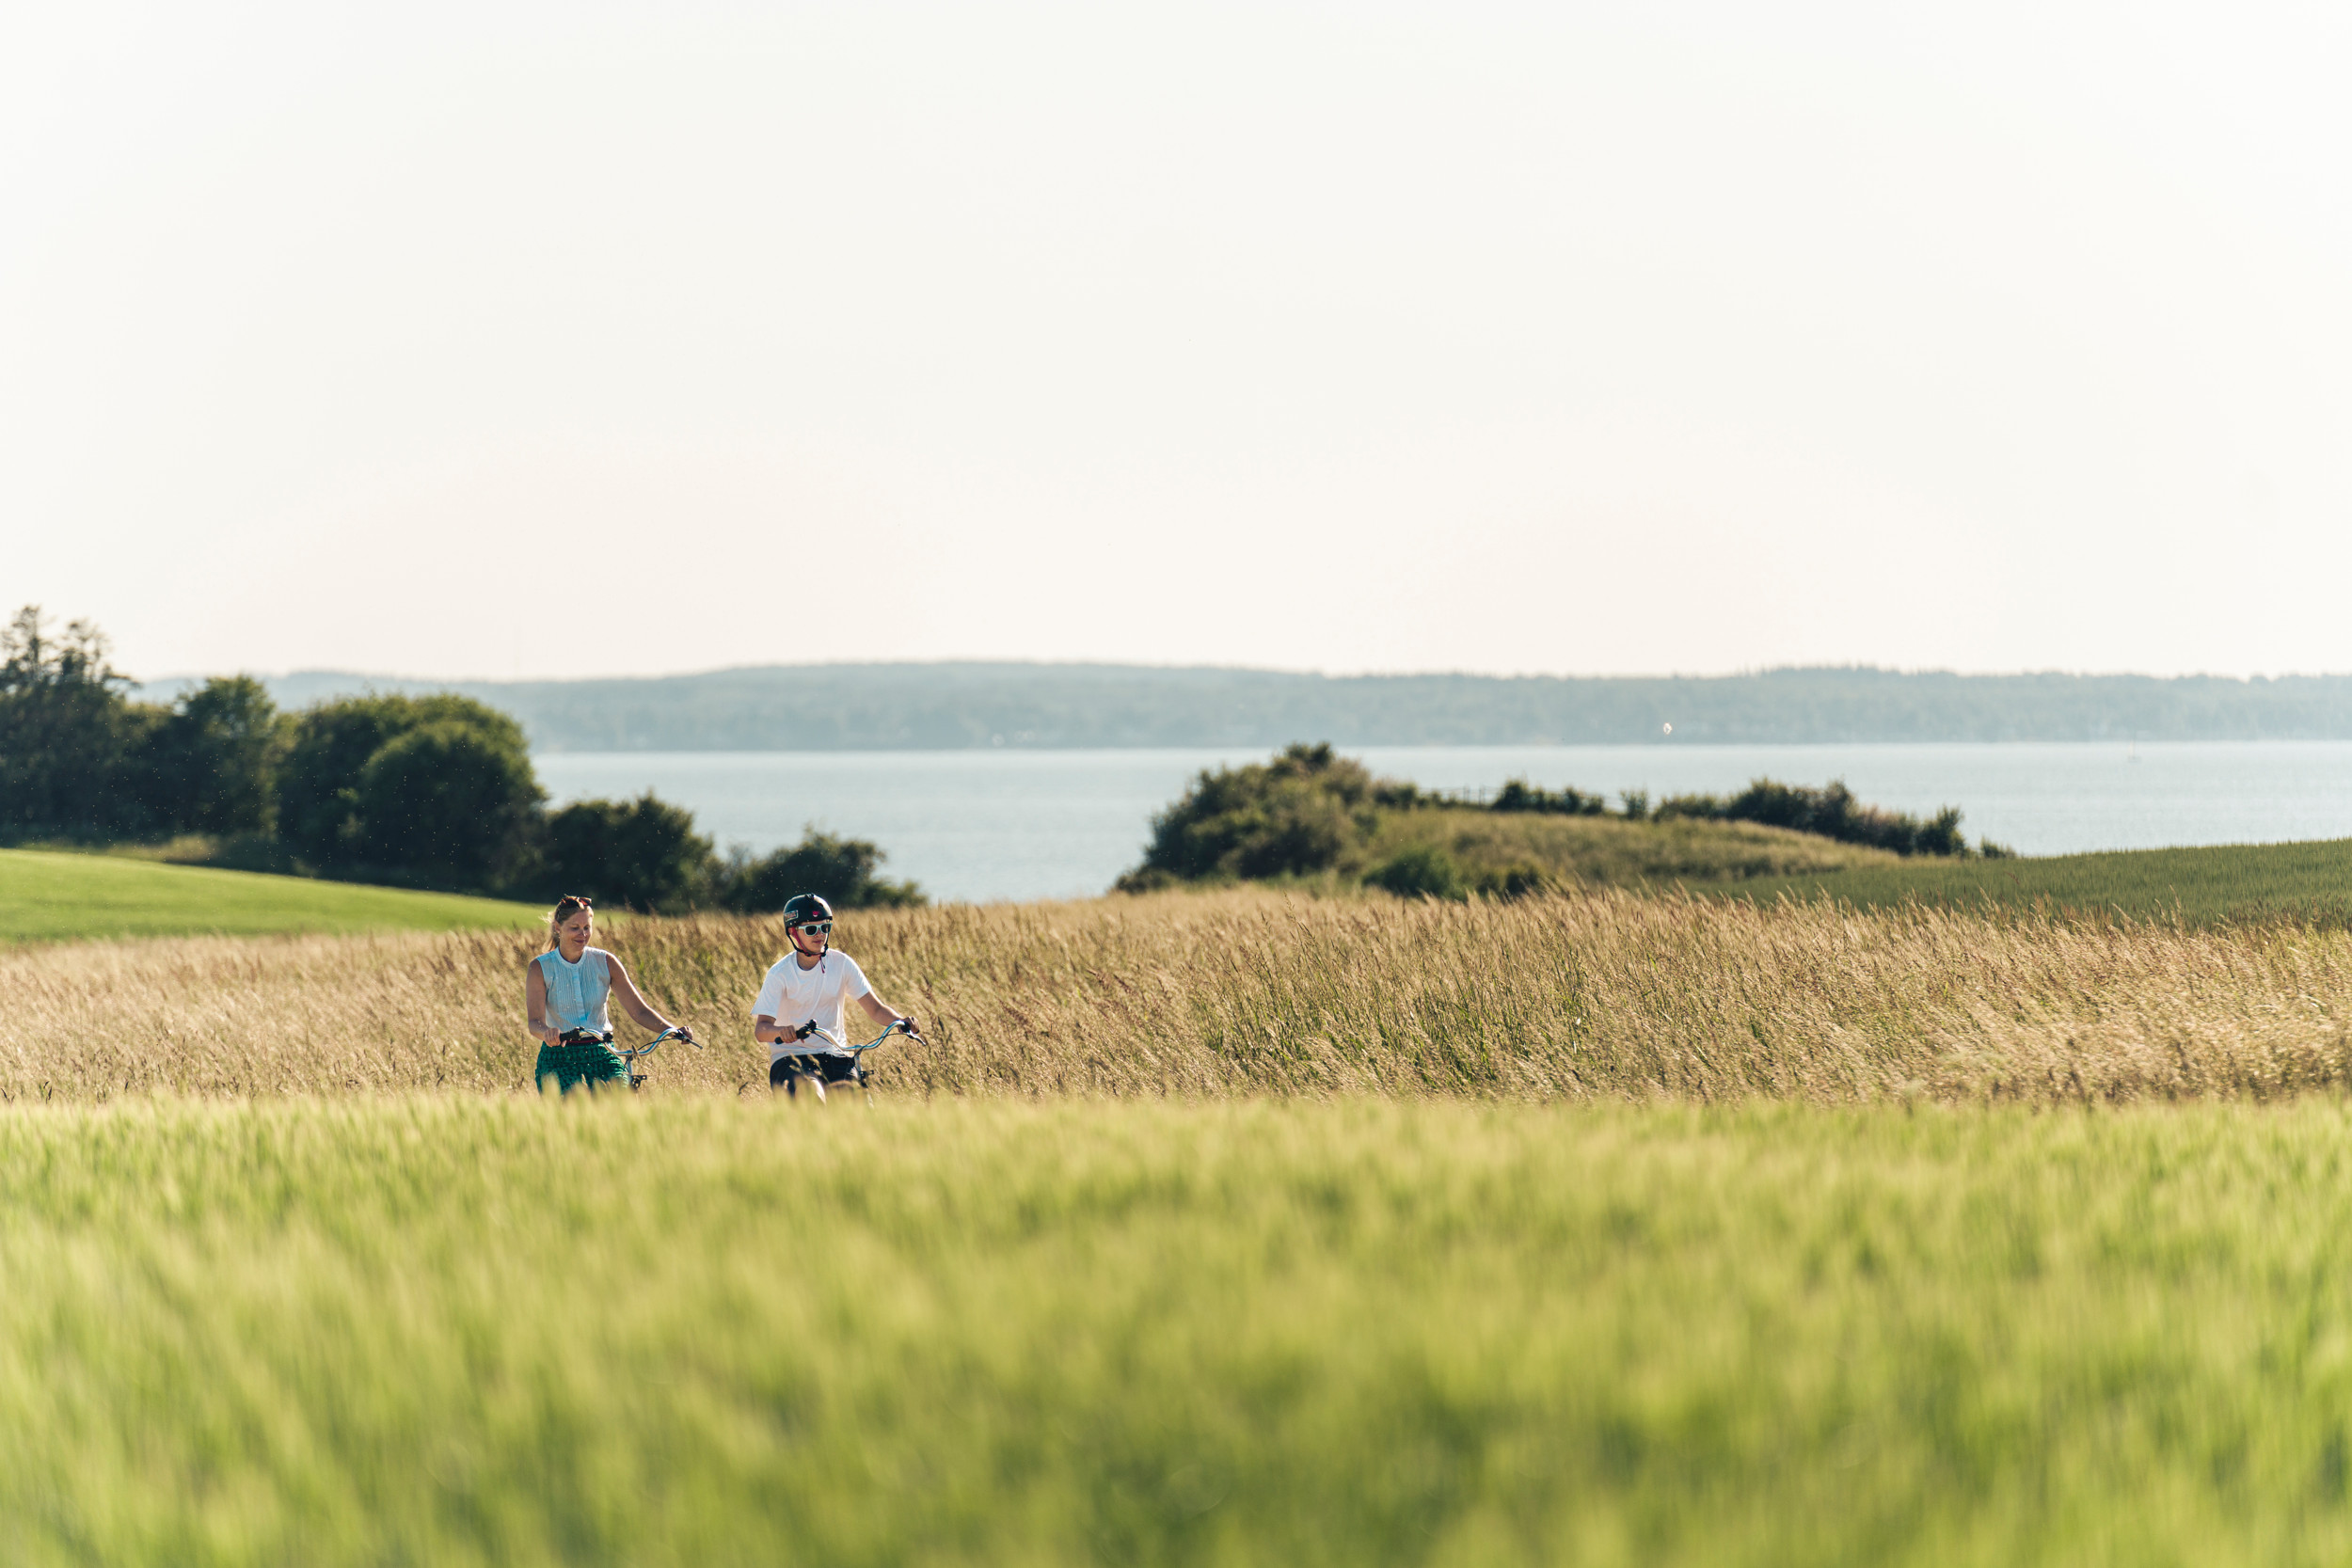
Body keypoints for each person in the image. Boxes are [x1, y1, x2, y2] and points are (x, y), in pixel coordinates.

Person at [524, 894, 696, 1094]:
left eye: (587, 928)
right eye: (575, 928)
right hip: (559, 1055)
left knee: (621, 1097)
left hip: (602, 1052)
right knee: (571, 1106)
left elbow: (639, 1011)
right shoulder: (540, 968)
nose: (583, 934)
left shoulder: (606, 962)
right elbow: (534, 1022)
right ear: (557, 928)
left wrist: (673, 1031)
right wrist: (547, 1032)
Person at [753, 893, 918, 1099]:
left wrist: (900, 1021)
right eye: (811, 929)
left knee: (857, 1104)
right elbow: (761, 1030)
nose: (820, 934)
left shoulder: (841, 963)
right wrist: (782, 1032)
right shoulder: (779, 974)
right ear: (794, 933)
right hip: (792, 1058)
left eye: (825, 927)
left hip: (836, 1056)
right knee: (812, 1095)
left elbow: (876, 1009)